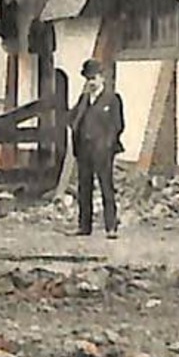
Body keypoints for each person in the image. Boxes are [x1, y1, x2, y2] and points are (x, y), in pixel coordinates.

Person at [68, 58, 124, 238]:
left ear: (102, 78)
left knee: (106, 187)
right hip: (84, 150)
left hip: (103, 151)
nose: (91, 82)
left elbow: (118, 125)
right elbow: (73, 118)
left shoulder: (112, 99)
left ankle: (111, 227)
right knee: (84, 189)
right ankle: (84, 226)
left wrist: (107, 144)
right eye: (88, 79)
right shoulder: (84, 99)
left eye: (94, 78)